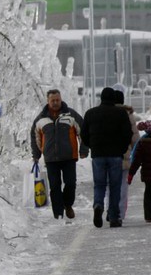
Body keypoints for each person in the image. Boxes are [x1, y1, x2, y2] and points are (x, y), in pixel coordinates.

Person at [30, 89, 89, 220]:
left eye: (58, 100)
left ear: (61, 99)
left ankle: (68, 205)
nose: (56, 102)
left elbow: (83, 131)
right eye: (53, 100)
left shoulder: (71, 115)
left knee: (70, 183)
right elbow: (35, 137)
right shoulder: (41, 119)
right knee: (54, 186)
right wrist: (37, 154)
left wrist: (84, 149)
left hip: (69, 157)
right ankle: (58, 214)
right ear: (48, 101)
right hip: (51, 159)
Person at [80, 87, 132, 228]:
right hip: (115, 155)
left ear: (101, 98)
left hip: (98, 155)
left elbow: (83, 135)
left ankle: (98, 204)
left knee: (99, 184)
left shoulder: (90, 113)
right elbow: (128, 134)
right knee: (115, 186)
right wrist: (121, 149)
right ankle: (114, 217)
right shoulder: (121, 113)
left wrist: (92, 146)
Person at [114, 89, 139, 220]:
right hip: (125, 154)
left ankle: (111, 210)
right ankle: (121, 213)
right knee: (123, 186)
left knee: (110, 185)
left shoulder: (108, 113)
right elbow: (135, 137)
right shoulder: (129, 115)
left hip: (109, 154)